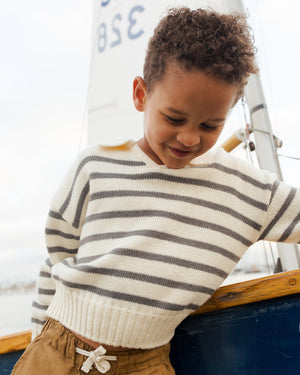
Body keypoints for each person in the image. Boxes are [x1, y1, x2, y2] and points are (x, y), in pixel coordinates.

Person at [12, 7, 300, 375]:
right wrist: (40, 340)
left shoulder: (246, 192)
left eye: (211, 125)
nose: (190, 137)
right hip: (55, 352)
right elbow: (56, 259)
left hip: (145, 364)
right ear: (140, 94)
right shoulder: (95, 166)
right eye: (174, 118)